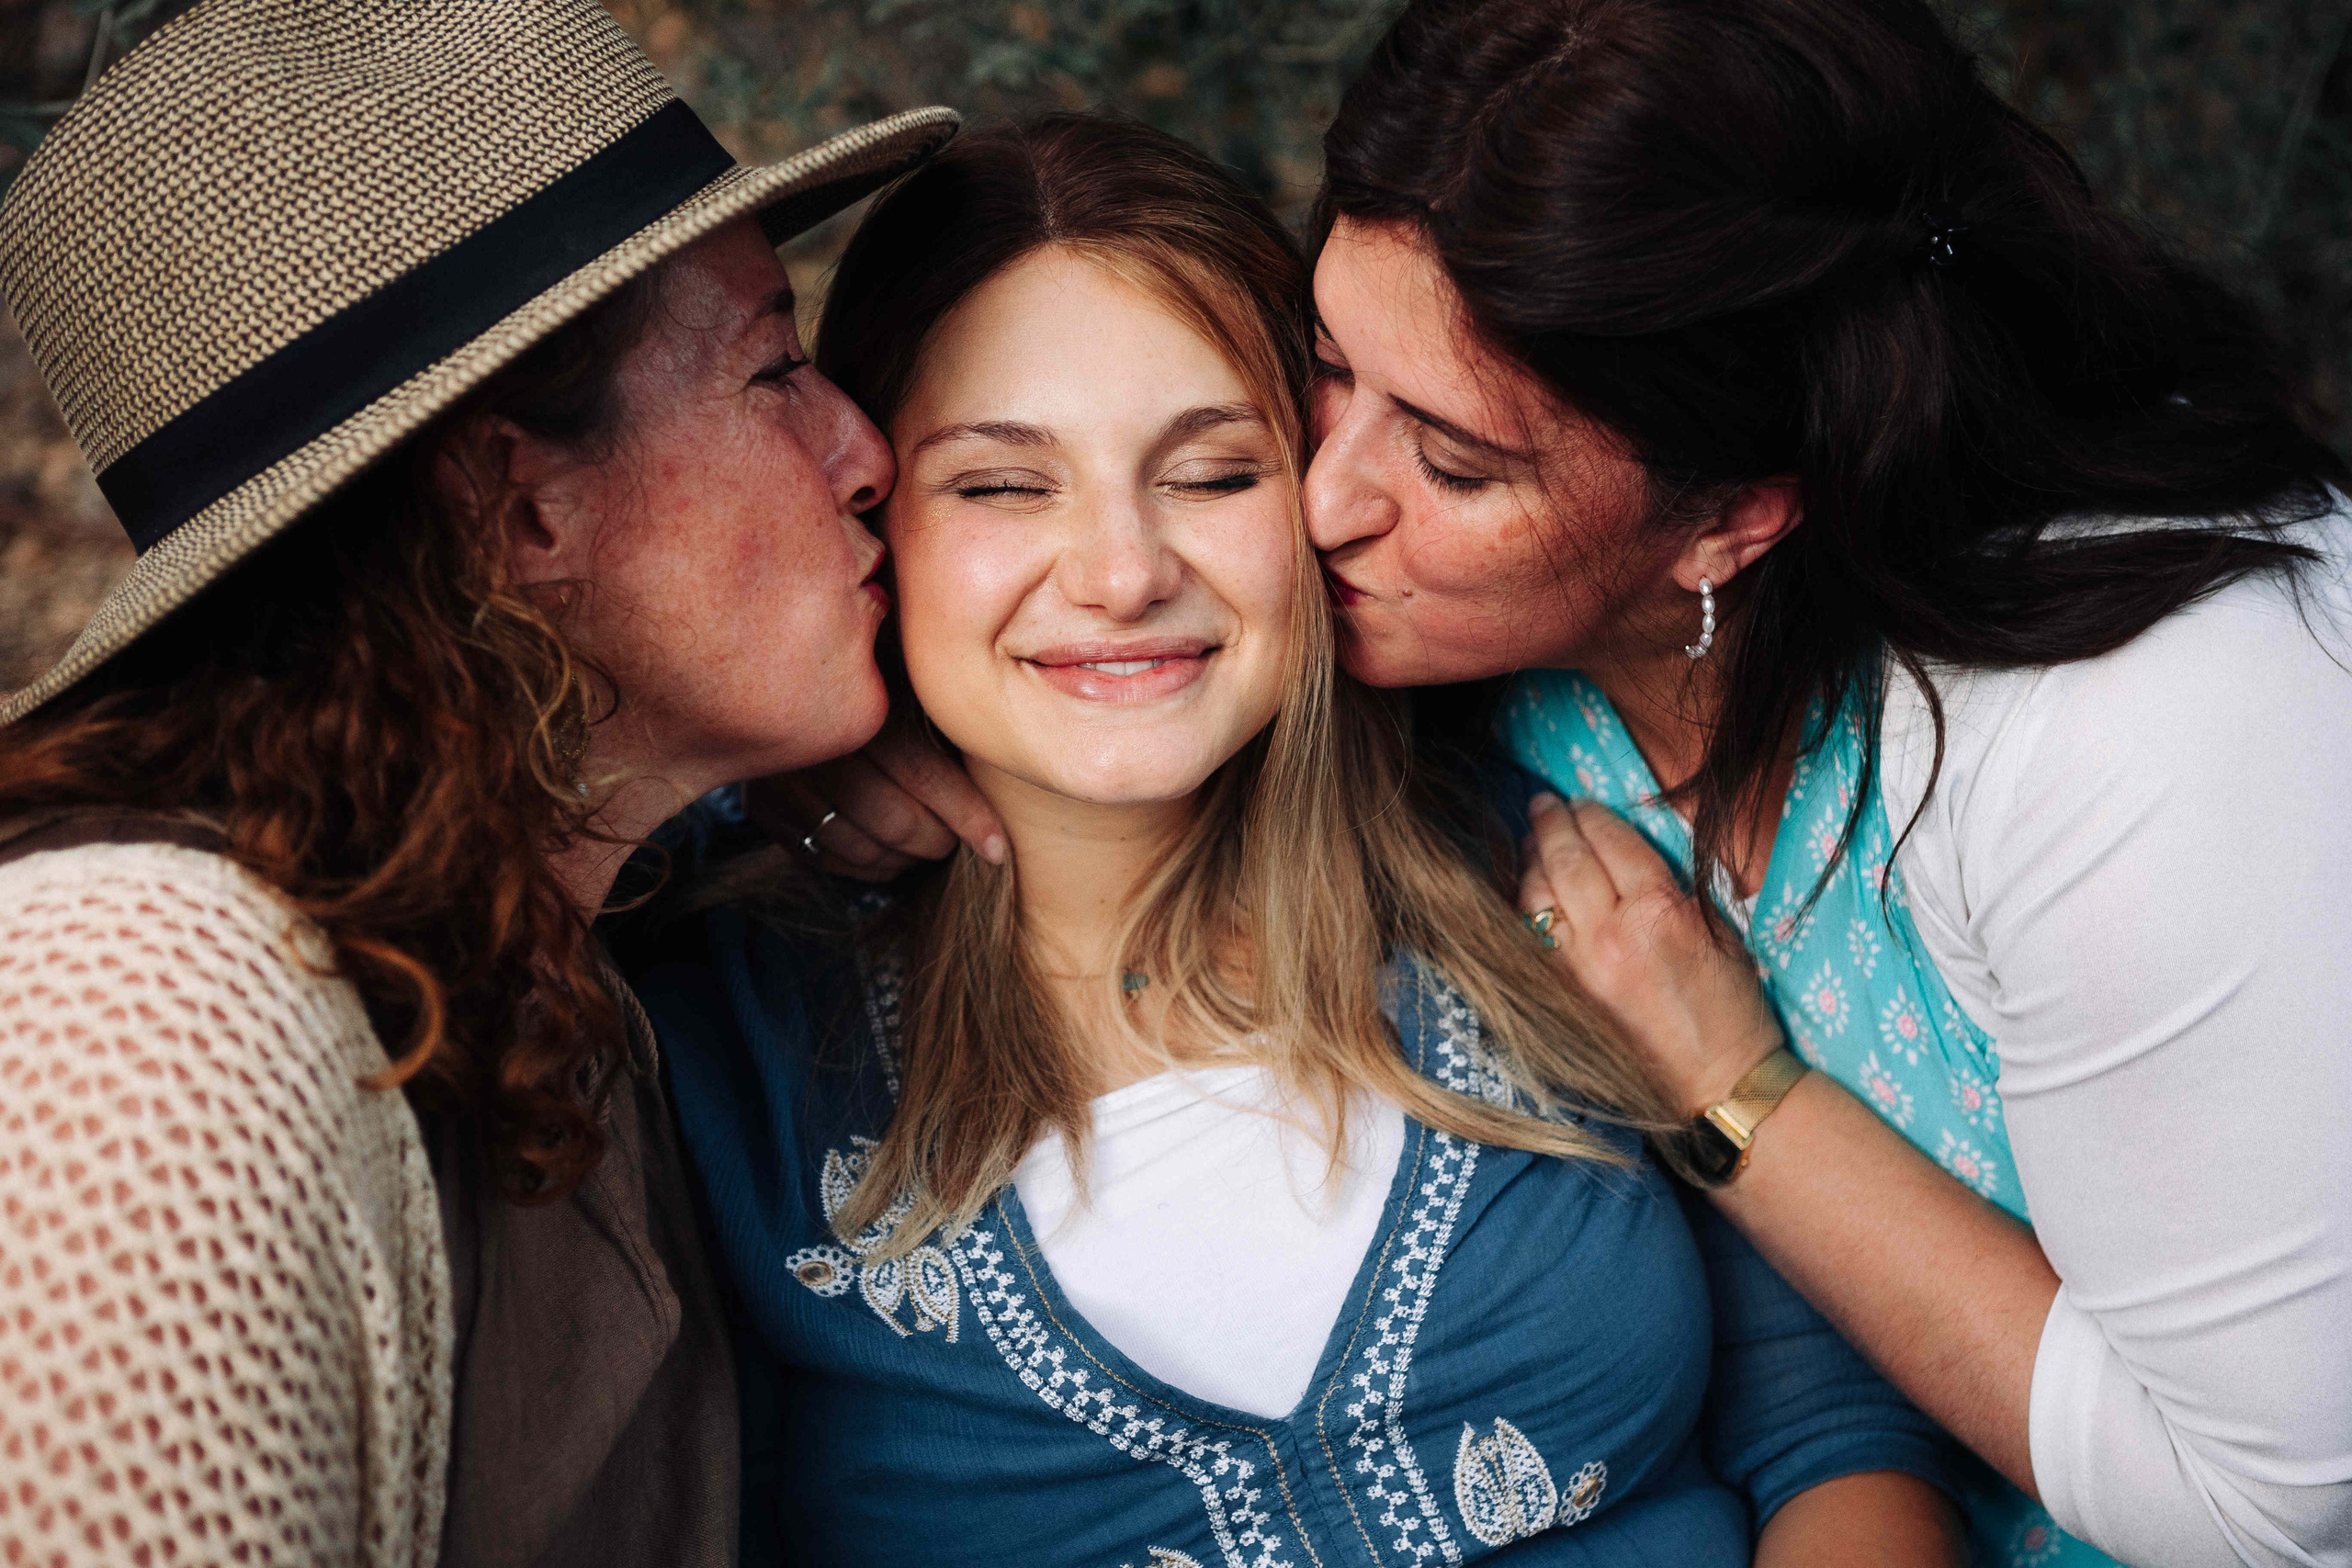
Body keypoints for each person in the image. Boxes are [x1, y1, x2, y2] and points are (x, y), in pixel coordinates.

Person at [768, 4, 2352, 1566]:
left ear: (1735, 515)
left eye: (1450, 464)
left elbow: (2247, 1504)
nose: (1321, 506)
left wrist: (1738, 1098)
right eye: (1327, 374)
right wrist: (832, 721)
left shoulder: (2134, 723)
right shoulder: (1500, 704)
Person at [632, 112, 1974, 1568]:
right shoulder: (704, 1023)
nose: (1124, 572)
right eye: (1004, 484)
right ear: (867, 513)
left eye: (1213, 473)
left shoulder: (1535, 868)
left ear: (1322, 496)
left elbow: (1836, 1436)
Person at [0, 3, 954, 1564]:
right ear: (520, 515)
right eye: (776, 369)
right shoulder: (147, 1006)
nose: (864, 452)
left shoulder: (541, 956)